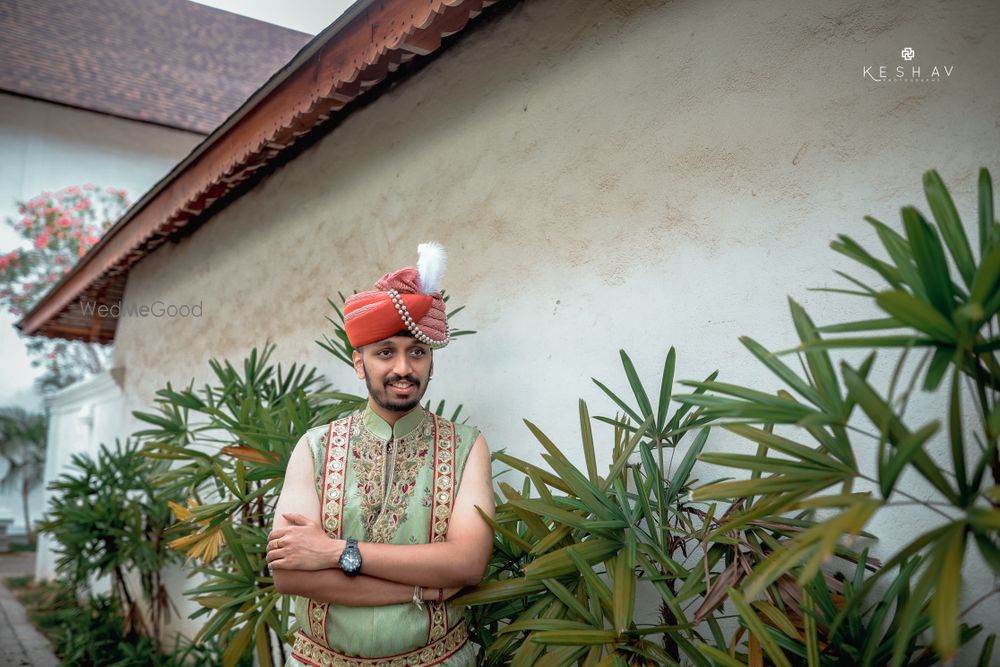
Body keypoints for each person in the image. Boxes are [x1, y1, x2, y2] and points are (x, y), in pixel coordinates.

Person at [266, 242, 494, 667]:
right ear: (359, 364)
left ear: (431, 363)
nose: (403, 368)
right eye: (385, 352)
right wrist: (423, 589)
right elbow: (290, 573)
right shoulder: (314, 448)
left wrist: (334, 553)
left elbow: (467, 563)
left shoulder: (466, 446)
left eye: (417, 352)